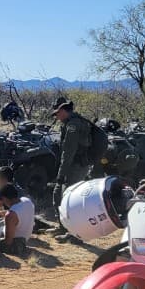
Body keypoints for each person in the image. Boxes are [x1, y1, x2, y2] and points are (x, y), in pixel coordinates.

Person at [51, 98, 93, 242]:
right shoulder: (73, 123)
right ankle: (64, 227)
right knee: (60, 195)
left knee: (70, 200)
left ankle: (75, 233)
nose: (56, 117)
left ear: (63, 111)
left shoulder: (73, 126)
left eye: (57, 113)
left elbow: (68, 152)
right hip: (76, 166)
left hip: (75, 167)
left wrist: (61, 175)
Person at [0, 184, 34, 256]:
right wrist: (4, 212)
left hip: (16, 242)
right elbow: (21, 213)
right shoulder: (27, 201)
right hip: (25, 237)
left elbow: (8, 242)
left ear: (4, 199)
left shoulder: (10, 215)